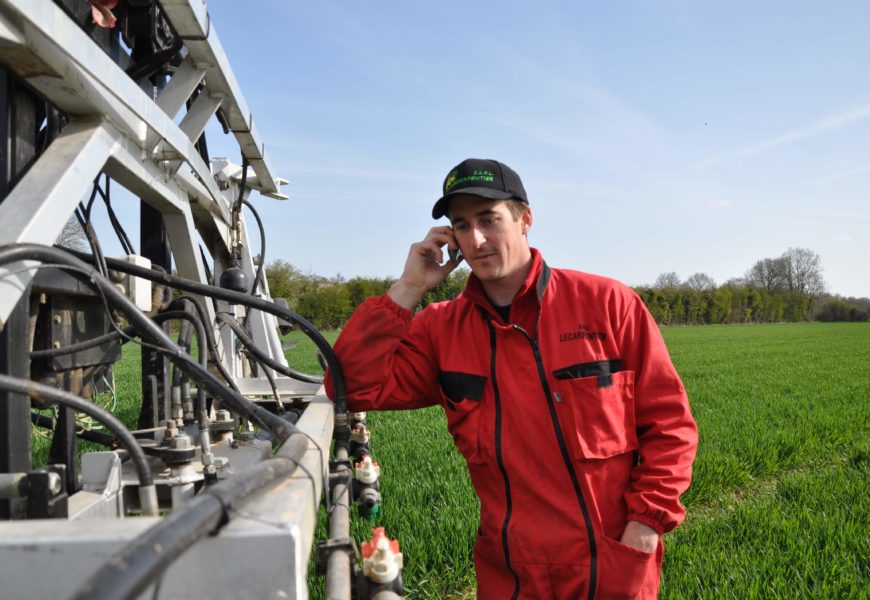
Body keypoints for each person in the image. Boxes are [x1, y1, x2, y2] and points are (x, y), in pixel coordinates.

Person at [325, 158, 698, 599]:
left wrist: (646, 524)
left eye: (489, 219)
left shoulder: (607, 305)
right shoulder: (441, 330)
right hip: (512, 574)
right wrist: (409, 288)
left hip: (612, 563)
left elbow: (670, 426)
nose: (477, 239)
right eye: (461, 226)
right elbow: (350, 384)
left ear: (525, 219)